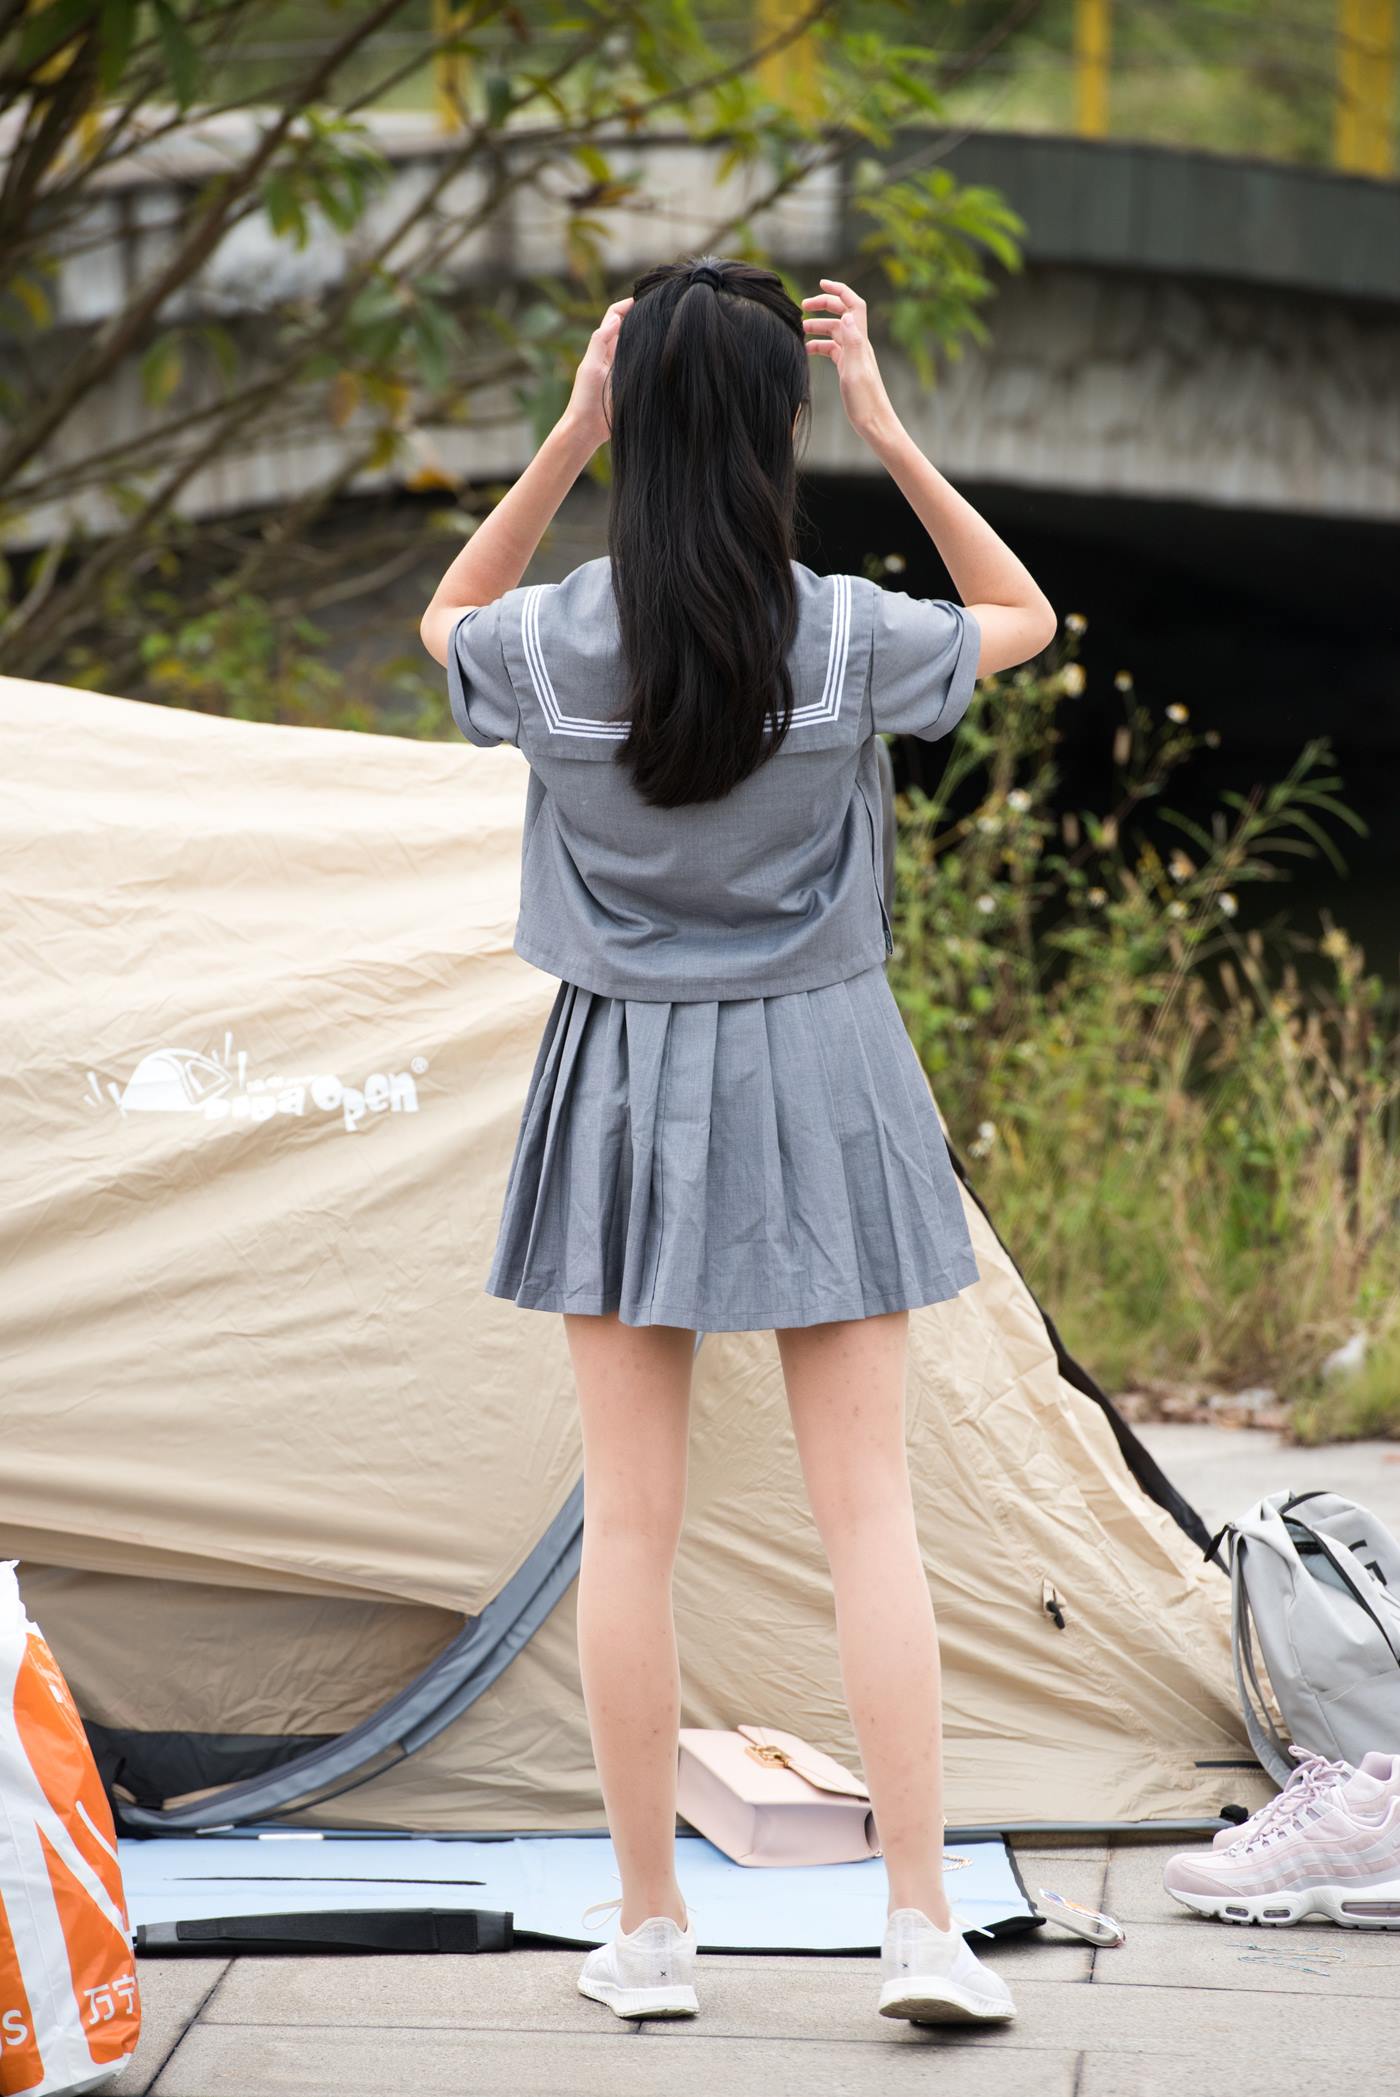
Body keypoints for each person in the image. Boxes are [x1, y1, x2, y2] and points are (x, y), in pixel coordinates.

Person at [420, 255, 1056, 2028]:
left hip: (620, 1079)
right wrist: (893, 430)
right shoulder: (846, 634)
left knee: (632, 1526)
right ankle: (920, 1927)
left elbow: (444, 616)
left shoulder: (550, 644)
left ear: (634, 418)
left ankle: (651, 1934)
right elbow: (1020, 613)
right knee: (872, 1517)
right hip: (826, 1068)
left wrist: (567, 435)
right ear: (782, 424)